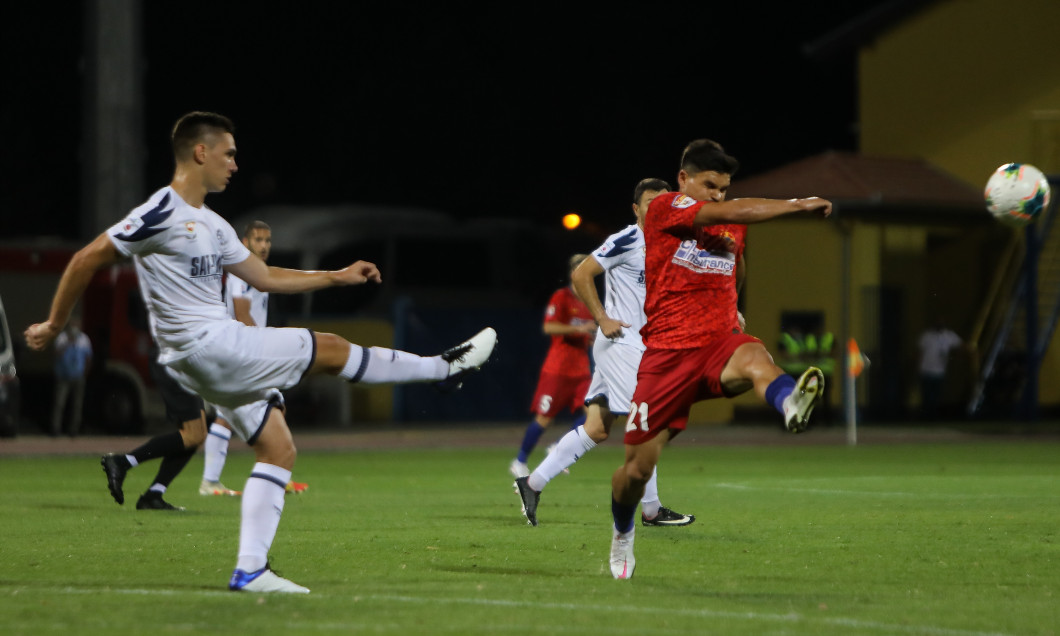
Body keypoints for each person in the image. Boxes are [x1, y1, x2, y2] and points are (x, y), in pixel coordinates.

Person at [24, 111, 497, 594]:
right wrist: (55, 323)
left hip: (210, 361)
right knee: (330, 349)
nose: (234, 164)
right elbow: (86, 258)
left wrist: (334, 276)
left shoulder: (214, 223)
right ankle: (444, 368)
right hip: (209, 346)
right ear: (199, 152)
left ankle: (250, 571)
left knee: (278, 447)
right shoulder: (162, 212)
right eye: (228, 153)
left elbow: (266, 277)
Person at [608, 139, 832, 579]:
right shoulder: (664, 209)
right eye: (709, 184)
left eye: (724, 188)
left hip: (716, 345)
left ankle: (789, 404)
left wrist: (733, 305)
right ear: (684, 179)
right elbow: (732, 214)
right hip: (667, 357)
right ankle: (622, 534)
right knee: (636, 471)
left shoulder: (732, 220)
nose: (717, 195)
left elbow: (737, 260)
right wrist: (796, 205)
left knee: (755, 357)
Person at [514, 178, 694, 528]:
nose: (657, 208)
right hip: (622, 344)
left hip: (644, 346)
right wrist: (602, 317)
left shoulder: (673, 242)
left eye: (663, 202)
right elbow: (583, 274)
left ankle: (532, 483)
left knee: (596, 428)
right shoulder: (627, 239)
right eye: (650, 202)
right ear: (636, 209)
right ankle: (652, 510)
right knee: (646, 421)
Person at [199, 220, 308, 497]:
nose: (264, 246)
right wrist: (262, 347)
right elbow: (242, 311)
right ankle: (272, 475)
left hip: (241, 349)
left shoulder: (256, 272)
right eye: (258, 240)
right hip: (243, 350)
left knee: (229, 416)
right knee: (271, 405)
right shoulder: (242, 273)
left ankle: (213, 481)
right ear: (245, 242)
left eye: (268, 241)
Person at [509, 254, 596, 479]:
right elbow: (550, 328)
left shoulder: (590, 301)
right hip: (557, 370)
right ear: (572, 273)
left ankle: (559, 447)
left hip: (582, 372)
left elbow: (589, 334)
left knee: (594, 415)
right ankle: (520, 461)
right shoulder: (562, 297)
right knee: (544, 418)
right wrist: (580, 329)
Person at [49, 317, 92, 437]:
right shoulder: (62, 338)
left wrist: (85, 373)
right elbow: (56, 354)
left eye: (76, 325)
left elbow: (88, 358)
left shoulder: (84, 339)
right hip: (63, 377)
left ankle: (74, 430)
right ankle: (55, 429)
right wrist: (68, 342)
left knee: (77, 405)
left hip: (78, 377)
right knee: (59, 403)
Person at [918, 317, 962, 417]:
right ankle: (926, 416)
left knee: (936, 395)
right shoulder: (927, 335)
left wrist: (953, 357)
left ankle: (934, 416)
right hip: (926, 370)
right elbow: (919, 352)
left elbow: (961, 346)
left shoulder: (948, 335)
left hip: (940, 371)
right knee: (927, 395)